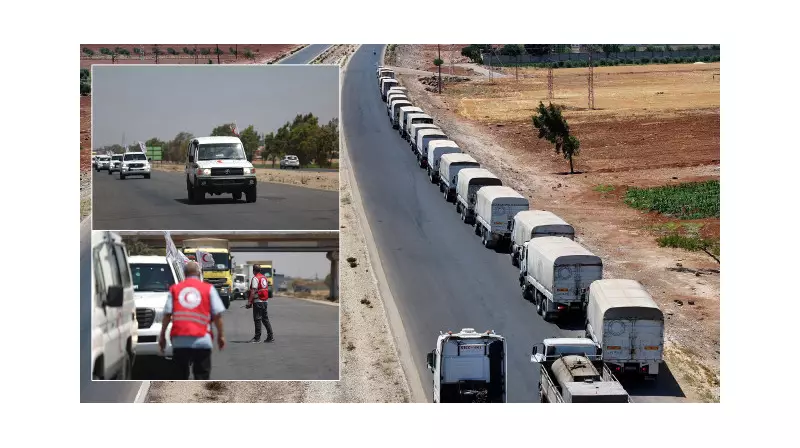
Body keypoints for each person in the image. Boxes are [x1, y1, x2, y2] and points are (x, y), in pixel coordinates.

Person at [159, 261, 226, 380]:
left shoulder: (175, 289)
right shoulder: (208, 289)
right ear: (199, 274)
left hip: (180, 340)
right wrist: (221, 336)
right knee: (201, 376)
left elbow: (167, 315)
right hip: (202, 340)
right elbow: (217, 315)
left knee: (180, 376)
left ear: (184, 274)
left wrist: (162, 336)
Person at [246, 264, 274, 343]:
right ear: (260, 270)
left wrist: (249, 302)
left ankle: (257, 338)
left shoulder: (255, 278)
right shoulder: (264, 277)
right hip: (265, 301)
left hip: (258, 301)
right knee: (265, 319)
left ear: (253, 270)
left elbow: (253, 291)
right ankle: (270, 336)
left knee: (257, 319)